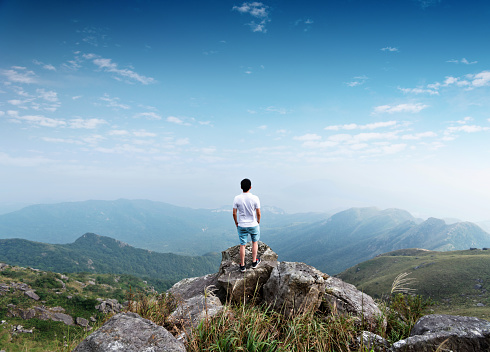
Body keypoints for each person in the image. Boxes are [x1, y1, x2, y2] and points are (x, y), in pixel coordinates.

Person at [233, 178, 261, 273]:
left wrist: (236, 222)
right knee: (254, 242)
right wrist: (258, 221)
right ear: (250, 187)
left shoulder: (237, 198)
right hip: (253, 224)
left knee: (242, 245)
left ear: (241, 187)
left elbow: (234, 213)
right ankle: (254, 262)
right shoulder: (255, 198)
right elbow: (258, 212)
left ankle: (242, 265)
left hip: (242, 225)